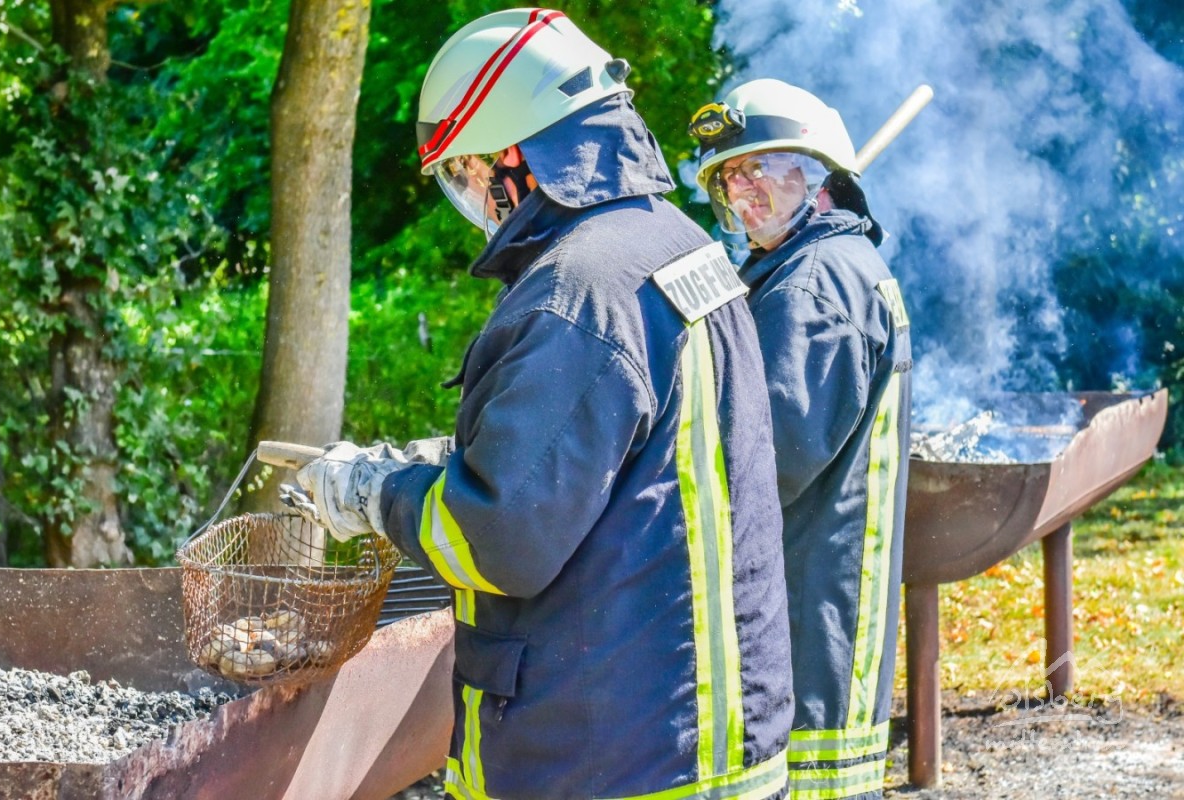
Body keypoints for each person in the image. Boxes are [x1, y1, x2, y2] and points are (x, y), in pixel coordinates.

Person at [288, 10, 794, 800]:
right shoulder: (677, 245)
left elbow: (497, 540)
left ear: (514, 158)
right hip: (716, 737)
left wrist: (371, 493)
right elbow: (631, 460)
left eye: (465, 173)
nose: (472, 200)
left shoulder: (577, 293)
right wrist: (448, 459)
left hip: (605, 758)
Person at [689, 79, 912, 800]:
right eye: (727, 179)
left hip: (804, 614)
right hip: (829, 597)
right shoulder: (834, 268)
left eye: (757, 168)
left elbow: (760, 467)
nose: (741, 191)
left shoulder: (809, 291)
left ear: (816, 173)